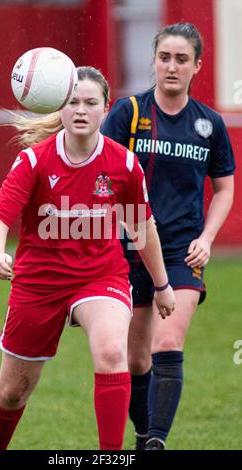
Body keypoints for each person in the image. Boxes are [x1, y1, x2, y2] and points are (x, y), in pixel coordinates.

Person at [0, 66, 175, 450]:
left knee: (110, 351)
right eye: (73, 102)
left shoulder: (123, 164)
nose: (82, 110)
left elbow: (142, 228)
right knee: (12, 392)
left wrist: (163, 285)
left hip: (100, 275)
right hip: (38, 281)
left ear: (106, 108)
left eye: (91, 102)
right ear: (60, 108)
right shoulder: (34, 161)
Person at [101, 22, 235, 450]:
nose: (171, 66)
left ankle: (156, 442)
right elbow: (100, 175)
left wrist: (208, 238)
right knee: (135, 359)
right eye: (164, 57)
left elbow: (225, 188)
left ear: (197, 65)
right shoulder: (129, 113)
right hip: (128, 250)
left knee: (168, 341)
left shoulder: (209, 125)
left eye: (181, 59)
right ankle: (144, 435)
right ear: (154, 61)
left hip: (181, 250)